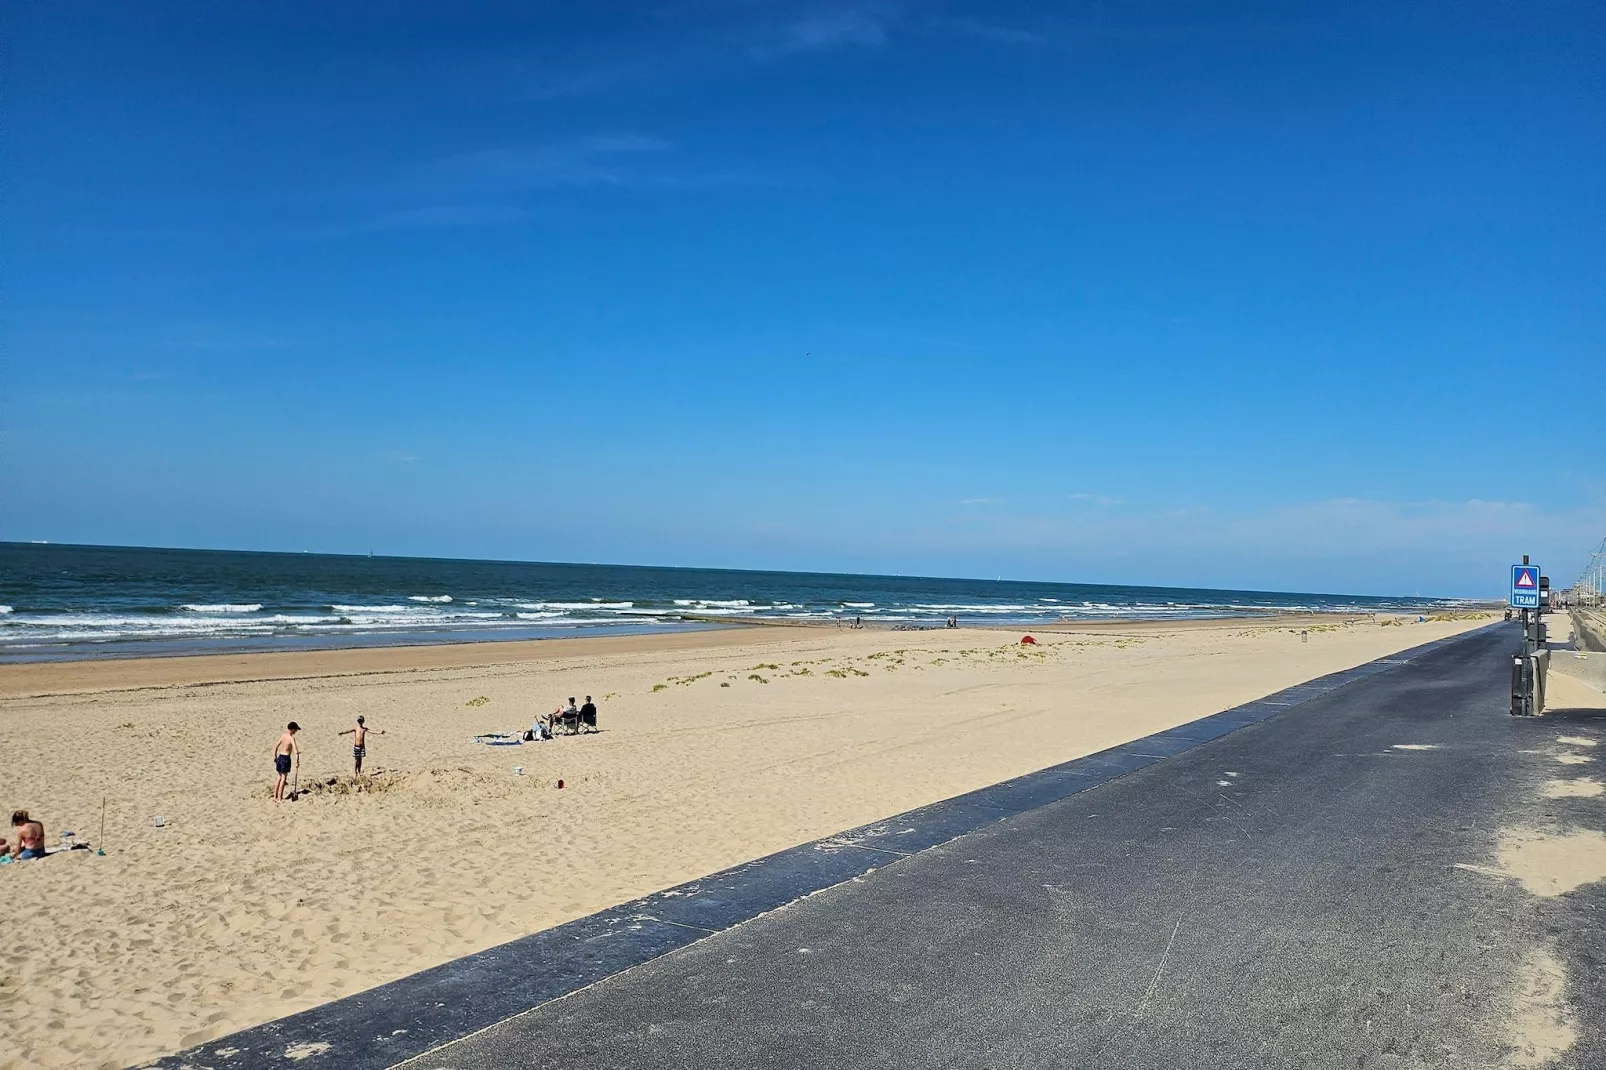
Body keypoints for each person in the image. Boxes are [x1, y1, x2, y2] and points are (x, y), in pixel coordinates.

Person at [273, 722, 301, 802]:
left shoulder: (283, 735)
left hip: (280, 757)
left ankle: (275, 797)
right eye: (295, 730)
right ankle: (280, 798)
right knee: (283, 779)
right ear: (292, 729)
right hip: (286, 758)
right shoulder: (291, 738)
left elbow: (276, 746)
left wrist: (275, 757)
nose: (296, 732)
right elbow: (295, 750)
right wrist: (297, 760)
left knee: (278, 777)